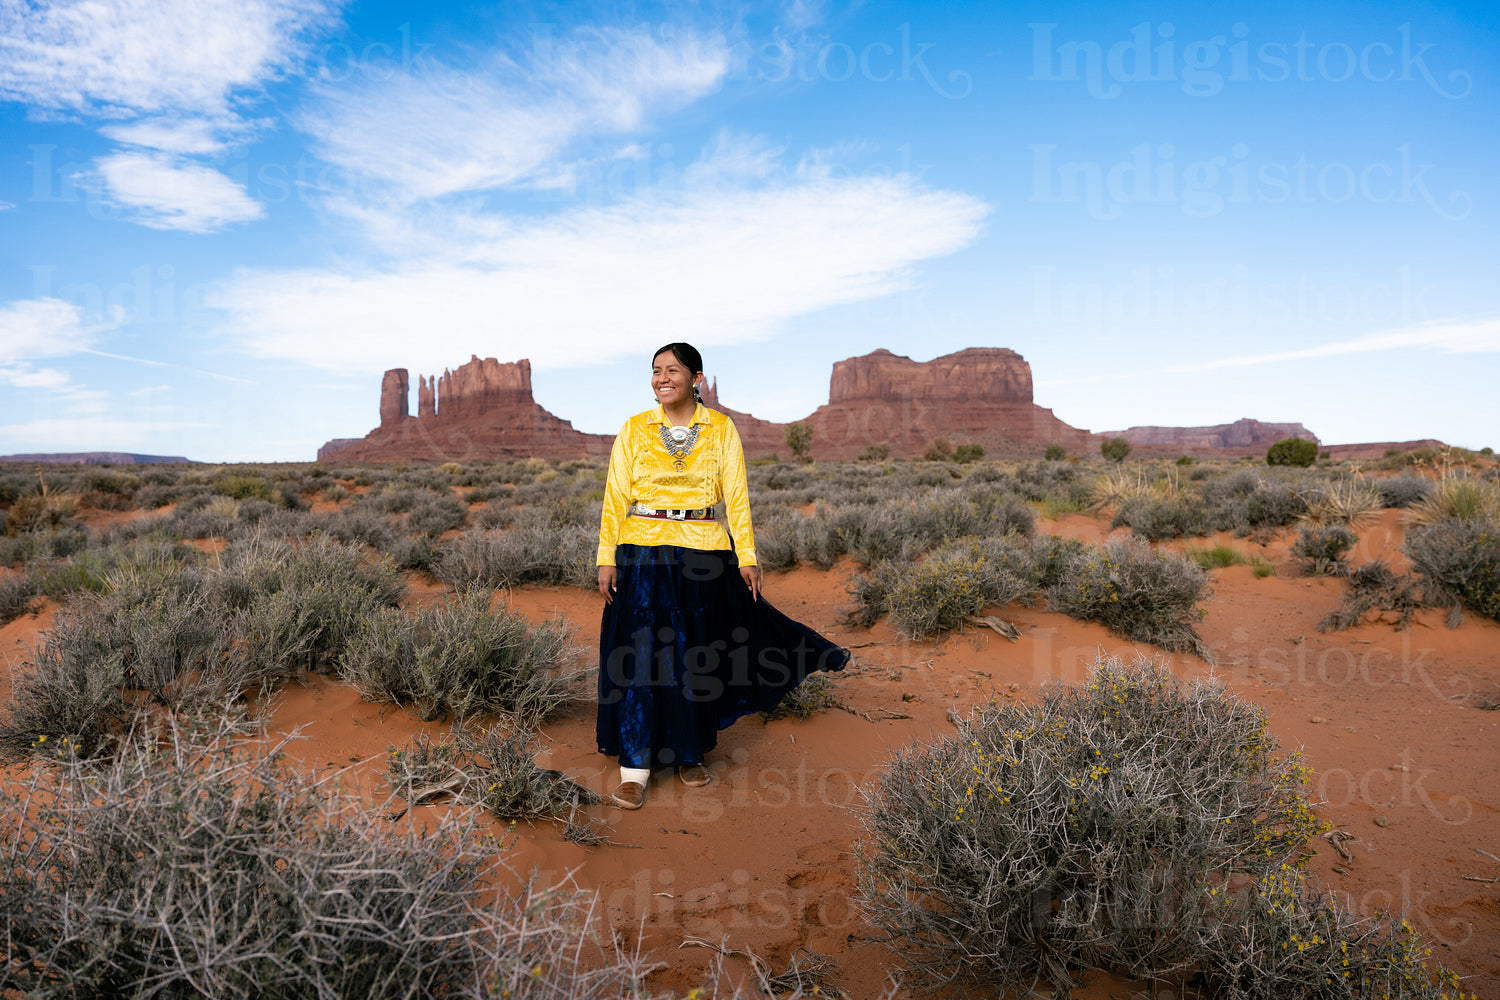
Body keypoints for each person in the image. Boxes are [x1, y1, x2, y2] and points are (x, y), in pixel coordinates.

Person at [595, 342, 850, 809]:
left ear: (696, 378)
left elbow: (736, 495)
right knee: (642, 653)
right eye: (655, 371)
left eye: (672, 370)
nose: (661, 378)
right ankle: (635, 767)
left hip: (704, 550)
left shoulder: (720, 429)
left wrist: (747, 556)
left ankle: (690, 752)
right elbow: (615, 496)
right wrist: (605, 556)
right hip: (643, 551)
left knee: (695, 653)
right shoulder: (633, 429)